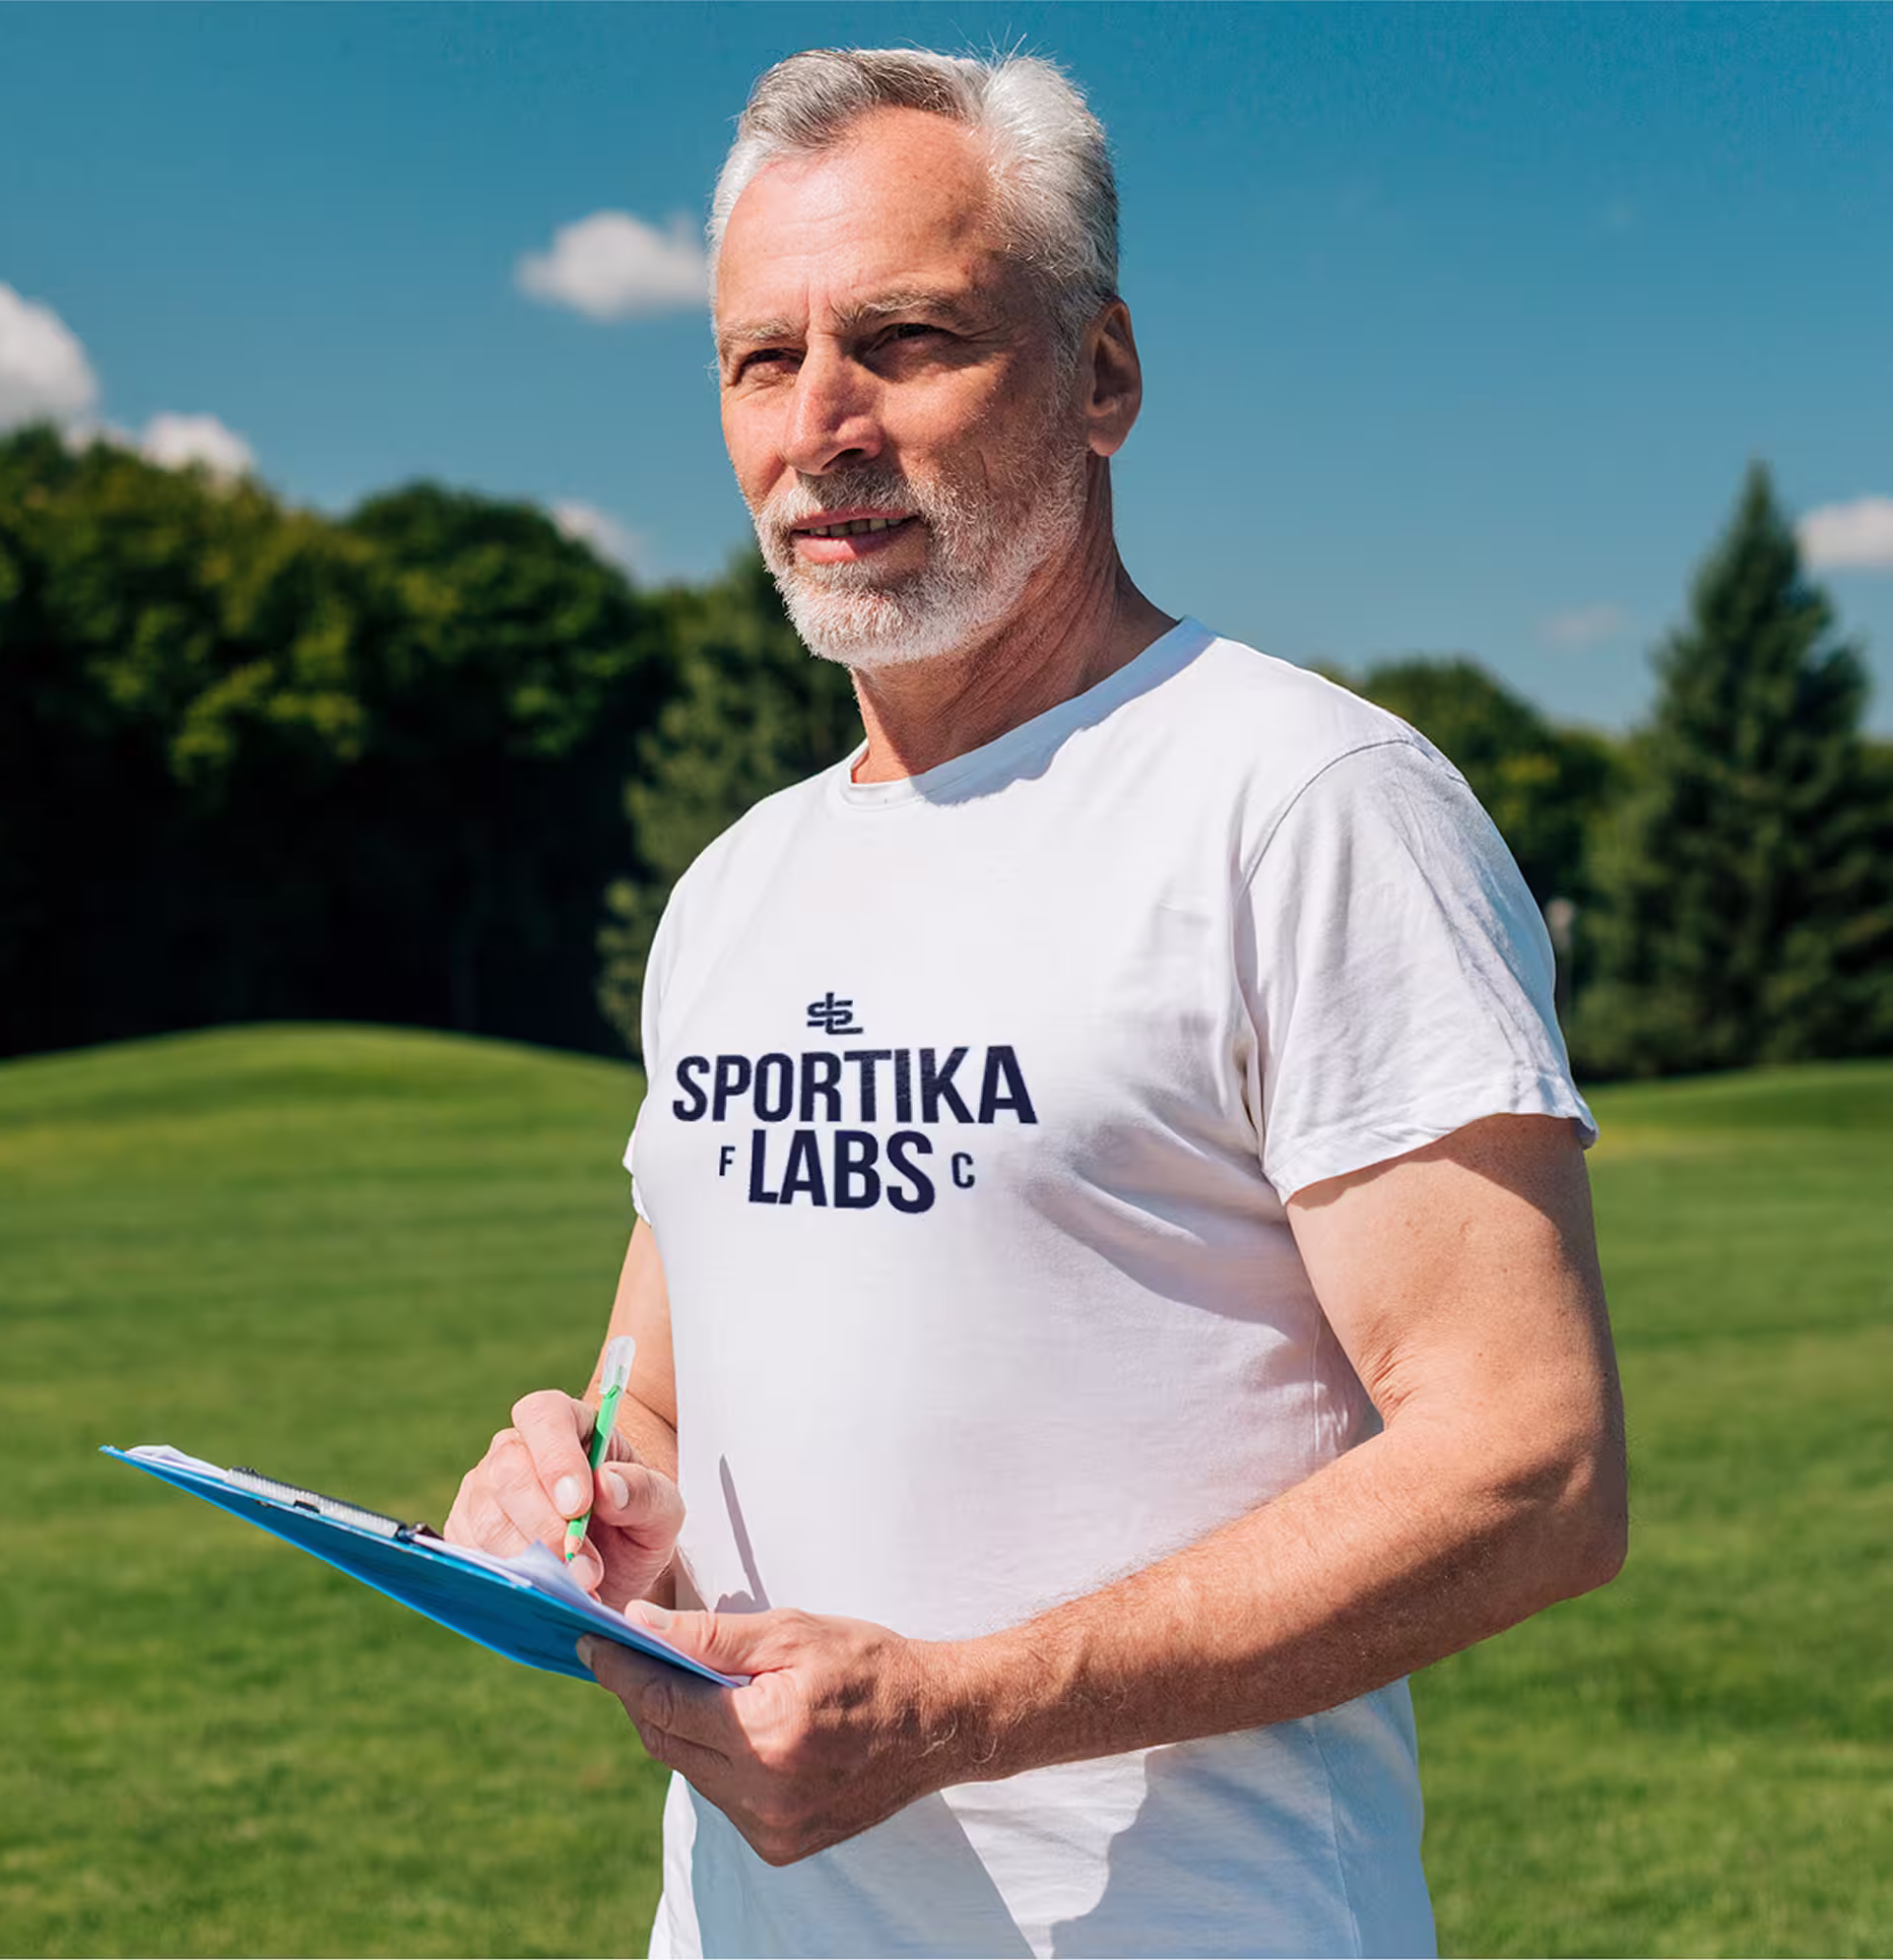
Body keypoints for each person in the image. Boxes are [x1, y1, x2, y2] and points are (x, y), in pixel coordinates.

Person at [441, 46, 1626, 1959]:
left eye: (904, 339)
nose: (821, 423)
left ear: (1103, 374)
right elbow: (651, 1384)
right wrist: (574, 1488)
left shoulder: (1302, 800)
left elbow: (1532, 1465)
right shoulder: (739, 884)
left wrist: (964, 1704)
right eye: (762, 358)